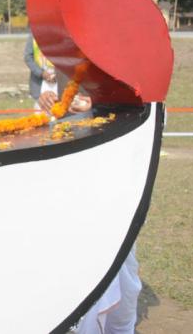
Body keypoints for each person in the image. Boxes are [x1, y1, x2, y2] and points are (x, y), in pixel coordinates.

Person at [38, 80, 140, 334]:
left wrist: (96, 103)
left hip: (118, 174)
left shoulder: (132, 64)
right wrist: (49, 101)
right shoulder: (69, 59)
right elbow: (59, 113)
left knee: (122, 270)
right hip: (77, 171)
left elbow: (147, 107)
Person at [24, 34, 58, 105]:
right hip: (40, 83)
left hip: (58, 82)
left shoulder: (60, 33)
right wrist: (41, 73)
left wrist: (58, 74)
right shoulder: (33, 36)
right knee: (41, 112)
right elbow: (28, 58)